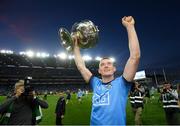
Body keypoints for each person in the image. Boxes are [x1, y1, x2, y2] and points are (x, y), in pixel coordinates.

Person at [72, 16, 140, 125]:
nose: (106, 66)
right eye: (102, 64)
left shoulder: (122, 82)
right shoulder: (95, 83)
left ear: (114, 69)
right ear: (99, 70)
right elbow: (81, 66)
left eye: (109, 64)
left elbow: (135, 57)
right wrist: (75, 47)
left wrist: (130, 27)